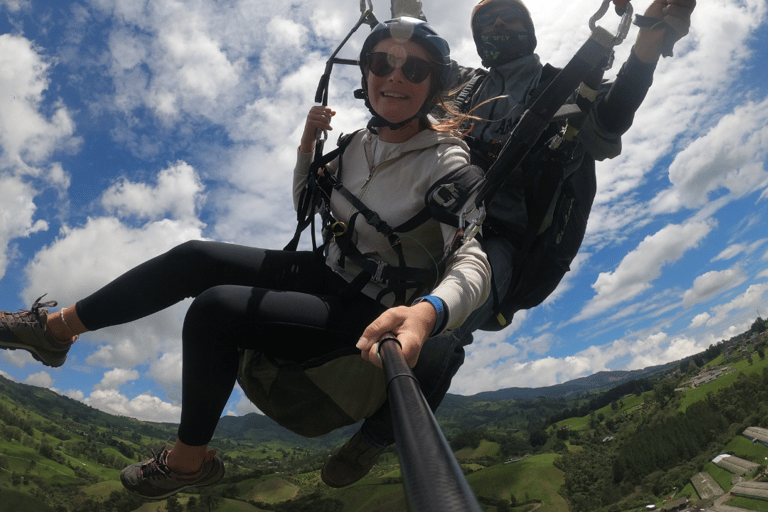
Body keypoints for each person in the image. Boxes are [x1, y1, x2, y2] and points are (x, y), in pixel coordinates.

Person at [0, 17, 491, 500]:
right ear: (365, 74)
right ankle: (54, 331)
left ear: (436, 83)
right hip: (328, 271)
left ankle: (187, 463)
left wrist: (428, 312)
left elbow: (474, 261)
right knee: (193, 257)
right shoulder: (357, 146)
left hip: (371, 306)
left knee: (217, 309)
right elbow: (306, 203)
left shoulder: (445, 161)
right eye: (382, 62)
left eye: (415, 69)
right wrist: (307, 146)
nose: (395, 77)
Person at [321, 0, 696, 487]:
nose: (499, 26)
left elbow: (610, 119)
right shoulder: (465, 87)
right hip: (433, 216)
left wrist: (646, 43)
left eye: (509, 17)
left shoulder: (565, 85)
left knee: (443, 332)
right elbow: (413, 55)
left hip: (502, 233)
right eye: (487, 22)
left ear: (530, 28)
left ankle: (376, 436)